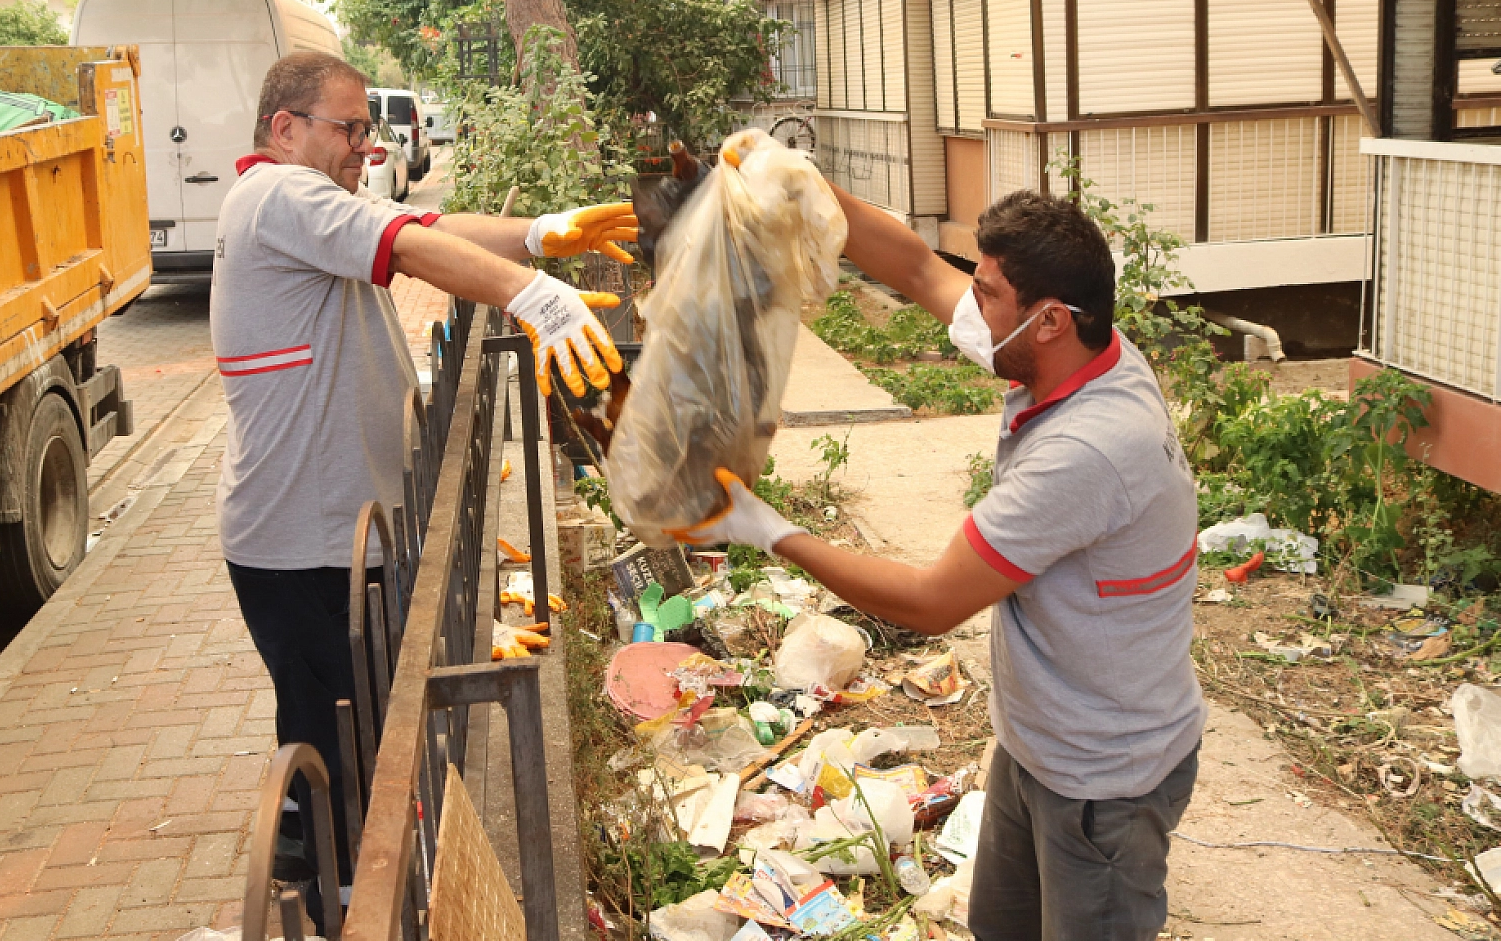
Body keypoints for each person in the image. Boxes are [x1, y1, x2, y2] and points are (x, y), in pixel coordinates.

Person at [675, 188, 1203, 941]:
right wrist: (807, 190)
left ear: (1049, 319)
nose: (973, 305)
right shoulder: (1085, 352)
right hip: (1039, 748)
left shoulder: (1085, 450)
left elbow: (930, 601)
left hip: (1102, 783)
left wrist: (763, 527)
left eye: (988, 294)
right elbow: (920, 269)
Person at [211, 51, 632, 908]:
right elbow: (407, 248)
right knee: (338, 768)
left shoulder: (300, 200)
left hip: (319, 535)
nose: (364, 148)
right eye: (349, 128)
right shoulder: (278, 196)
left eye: (369, 131)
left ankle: (336, 883)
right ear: (284, 128)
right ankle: (336, 905)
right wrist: (533, 294)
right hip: (305, 545)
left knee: (345, 749)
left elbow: (417, 223)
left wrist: (540, 233)